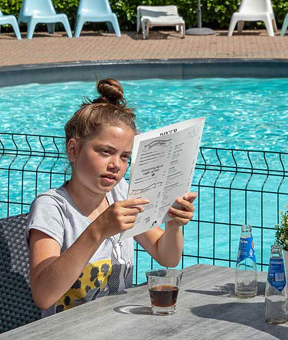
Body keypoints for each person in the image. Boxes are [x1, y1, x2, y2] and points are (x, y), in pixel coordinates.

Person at [27, 78, 198, 316]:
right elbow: (43, 295)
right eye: (106, 152)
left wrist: (173, 225)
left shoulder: (120, 193)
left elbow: (166, 256)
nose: (116, 165)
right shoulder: (53, 207)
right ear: (73, 150)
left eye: (125, 156)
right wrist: (98, 230)